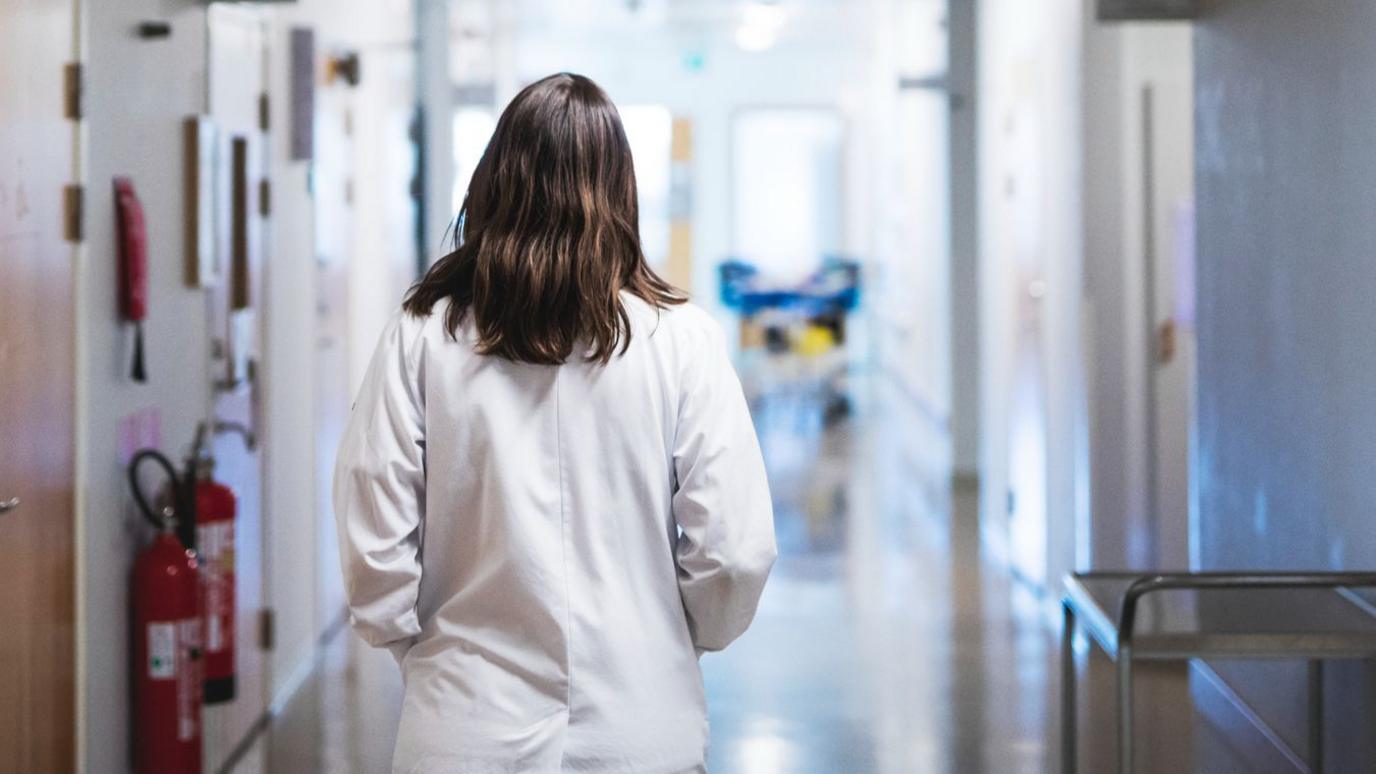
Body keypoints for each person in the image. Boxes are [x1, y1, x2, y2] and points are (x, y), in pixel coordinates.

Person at [332, 72, 776, 774]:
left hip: (462, 728)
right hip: (642, 727)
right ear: (620, 191)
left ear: (493, 185)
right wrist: (674, 638)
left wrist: (416, 651)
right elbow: (735, 550)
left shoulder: (420, 335)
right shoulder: (682, 340)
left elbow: (373, 525)